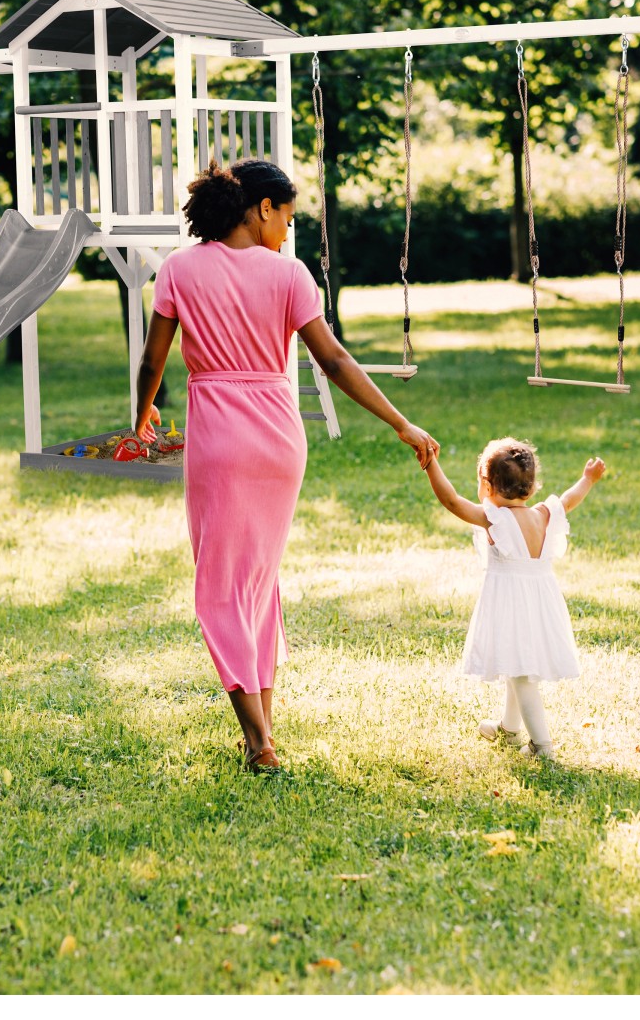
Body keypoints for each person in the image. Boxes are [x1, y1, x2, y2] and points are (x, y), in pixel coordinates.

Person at [134, 158, 439, 774]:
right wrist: (400, 422)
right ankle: (264, 728)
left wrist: (141, 417)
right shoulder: (289, 275)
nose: (288, 232)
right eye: (288, 218)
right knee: (256, 582)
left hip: (219, 438)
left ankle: (257, 741)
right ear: (262, 208)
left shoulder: (179, 269)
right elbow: (334, 361)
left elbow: (152, 361)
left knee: (221, 586)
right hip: (278, 438)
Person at [419, 437, 606, 761]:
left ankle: (542, 745)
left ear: (487, 485)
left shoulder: (495, 519)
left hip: (512, 605)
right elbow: (569, 499)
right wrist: (587, 479)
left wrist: (430, 462)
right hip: (540, 604)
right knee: (514, 664)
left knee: (521, 675)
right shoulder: (544, 514)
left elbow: (450, 501)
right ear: (531, 488)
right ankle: (508, 727)